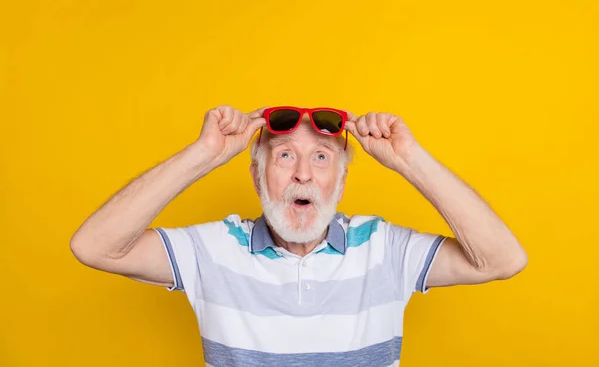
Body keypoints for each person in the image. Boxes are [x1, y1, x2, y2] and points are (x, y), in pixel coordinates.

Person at [70, 105, 527, 367]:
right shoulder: (213, 249)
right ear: (257, 177)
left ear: (342, 184)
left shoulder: (384, 249)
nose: (303, 174)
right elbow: (93, 247)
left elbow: (502, 259)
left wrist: (408, 158)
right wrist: (204, 154)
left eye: (323, 157)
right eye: (285, 155)